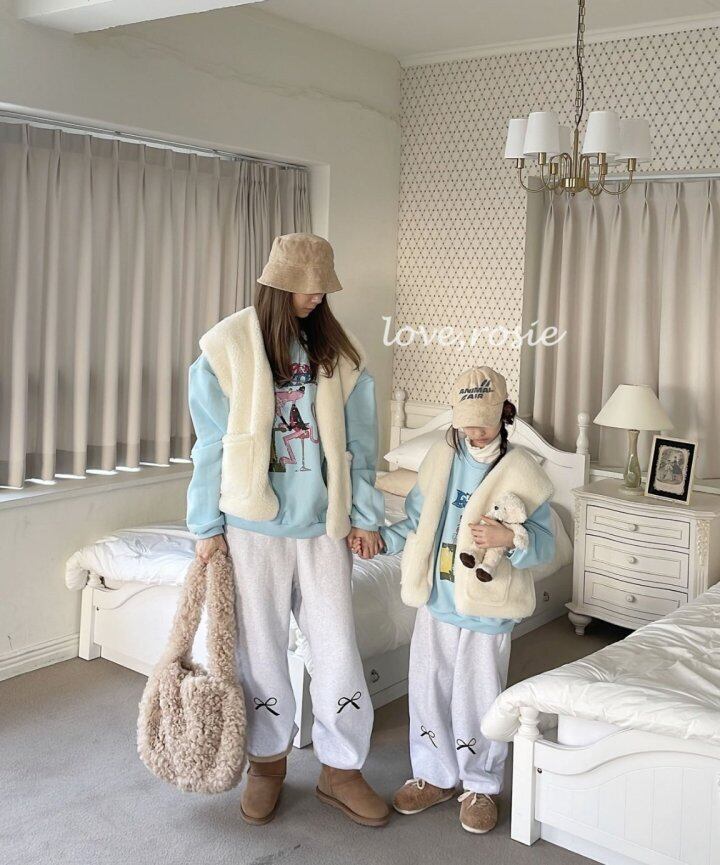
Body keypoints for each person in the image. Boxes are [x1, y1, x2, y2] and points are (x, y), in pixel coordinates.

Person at [186, 233, 387, 827]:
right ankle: (267, 762)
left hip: (324, 526)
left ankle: (341, 768)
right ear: (277, 285)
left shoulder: (340, 353)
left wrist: (365, 516)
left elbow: (361, 445)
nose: (317, 296)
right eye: (307, 286)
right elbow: (210, 445)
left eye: (324, 287)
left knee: (336, 647)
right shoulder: (226, 348)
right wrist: (205, 524)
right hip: (253, 526)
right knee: (259, 648)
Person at [376, 367, 555, 835]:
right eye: (465, 424)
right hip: (438, 598)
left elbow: (546, 546)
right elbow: (418, 521)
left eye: (483, 425)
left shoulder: (523, 471)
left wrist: (508, 537)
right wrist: (383, 540)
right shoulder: (441, 457)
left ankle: (481, 784)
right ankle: (434, 775)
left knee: (479, 696)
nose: (473, 433)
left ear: (503, 416)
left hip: (488, 608)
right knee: (428, 688)